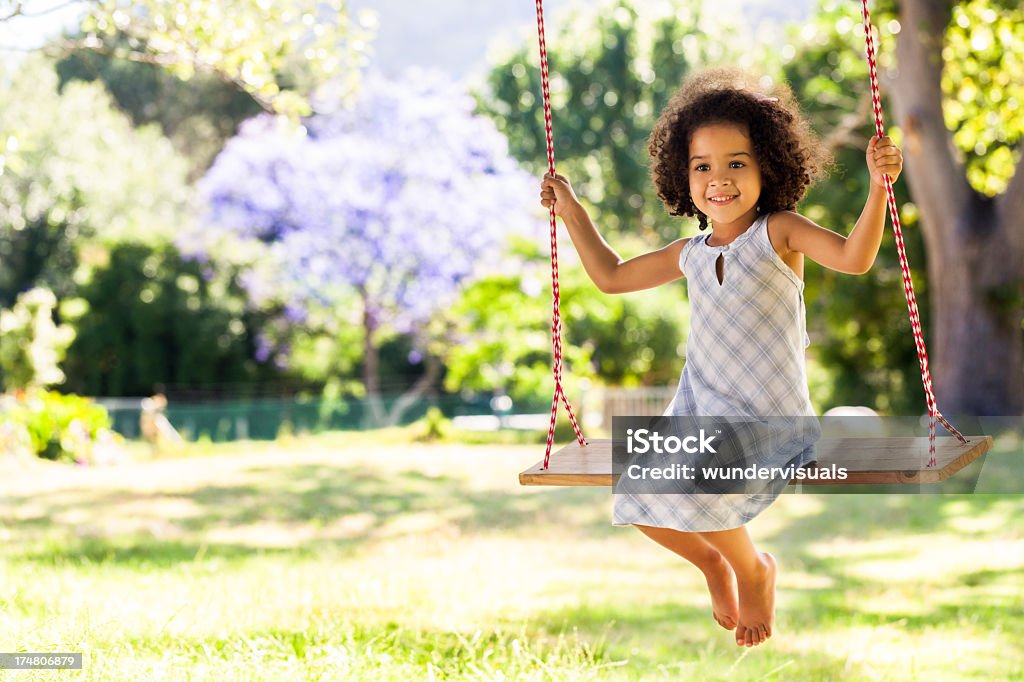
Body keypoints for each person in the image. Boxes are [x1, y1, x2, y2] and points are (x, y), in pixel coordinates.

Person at [539, 68, 903, 647]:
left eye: (737, 163)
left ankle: (753, 569)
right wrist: (573, 211)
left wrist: (879, 187)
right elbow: (609, 276)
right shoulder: (689, 253)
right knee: (636, 498)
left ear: (768, 168)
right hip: (701, 408)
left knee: (705, 480)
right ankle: (716, 563)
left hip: (767, 416)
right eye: (702, 166)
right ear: (683, 178)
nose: (719, 179)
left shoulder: (779, 232)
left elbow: (855, 258)